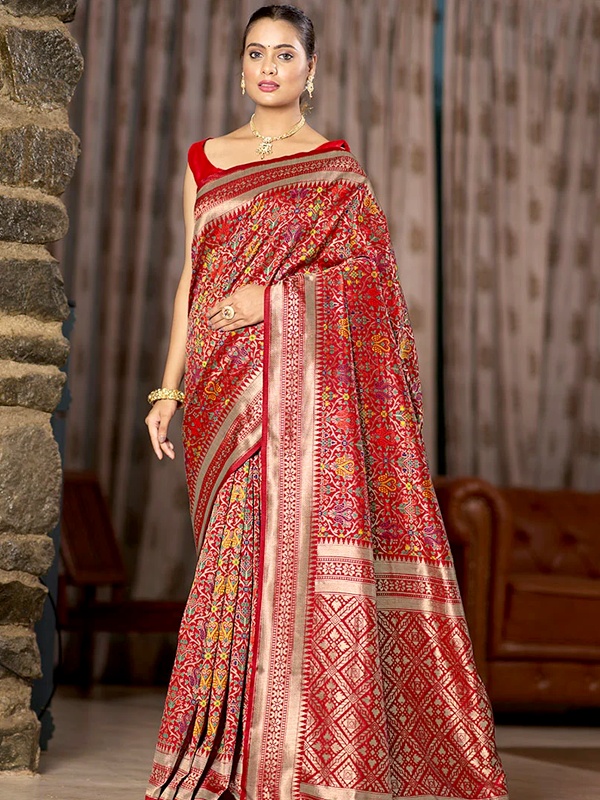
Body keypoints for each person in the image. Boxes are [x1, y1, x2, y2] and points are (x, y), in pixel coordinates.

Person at [144, 5, 509, 799]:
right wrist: (169, 386)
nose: (268, 67)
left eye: (284, 54)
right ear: (240, 68)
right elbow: (190, 278)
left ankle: (289, 753)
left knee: (285, 558)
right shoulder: (203, 159)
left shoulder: (336, 170)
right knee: (233, 564)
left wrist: (271, 302)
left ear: (313, 69)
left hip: (298, 387)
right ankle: (228, 746)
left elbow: (370, 285)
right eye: (255, 53)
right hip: (221, 384)